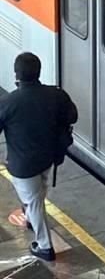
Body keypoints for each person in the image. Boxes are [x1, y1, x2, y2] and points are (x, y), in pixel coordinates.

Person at [0, 53, 78, 262]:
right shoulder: (55, 94)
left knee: (34, 202)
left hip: (22, 165)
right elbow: (72, 116)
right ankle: (31, 219)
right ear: (38, 72)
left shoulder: (7, 103)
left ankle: (44, 246)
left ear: (17, 75)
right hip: (48, 157)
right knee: (38, 195)